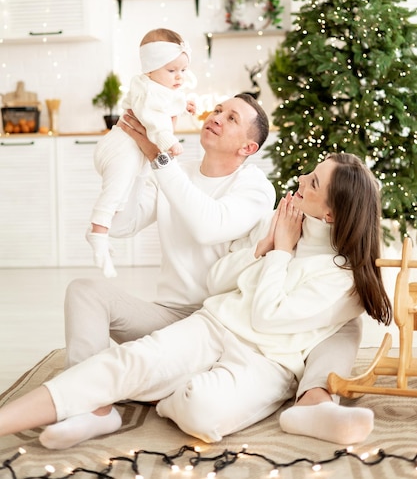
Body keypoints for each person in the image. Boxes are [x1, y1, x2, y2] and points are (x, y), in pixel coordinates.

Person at [0, 153, 392, 450]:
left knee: (202, 411)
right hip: (211, 324)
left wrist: (281, 253)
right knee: (125, 362)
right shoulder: (282, 224)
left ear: (330, 212)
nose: (301, 180)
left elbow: (267, 316)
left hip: (269, 361)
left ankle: (294, 410)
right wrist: (263, 247)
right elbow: (216, 281)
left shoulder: (344, 278)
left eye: (313, 182)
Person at [65, 91, 276, 367]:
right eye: (217, 110)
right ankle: (88, 395)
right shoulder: (175, 172)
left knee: (152, 371)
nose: (217, 118)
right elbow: (121, 225)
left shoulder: (256, 187)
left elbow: (208, 226)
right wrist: (138, 162)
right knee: (83, 291)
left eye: (231, 118)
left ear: (248, 148)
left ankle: (152, 372)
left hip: (217, 325)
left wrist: (158, 158)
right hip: (169, 317)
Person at [87, 27, 196, 278]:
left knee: (122, 196)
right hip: (121, 147)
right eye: (171, 70)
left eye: (183, 70)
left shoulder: (159, 87)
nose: (179, 77)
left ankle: (98, 229)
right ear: (150, 68)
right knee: (115, 191)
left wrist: (183, 103)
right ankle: (97, 233)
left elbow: (169, 101)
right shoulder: (147, 90)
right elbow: (154, 119)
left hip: (131, 149)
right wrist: (169, 142)